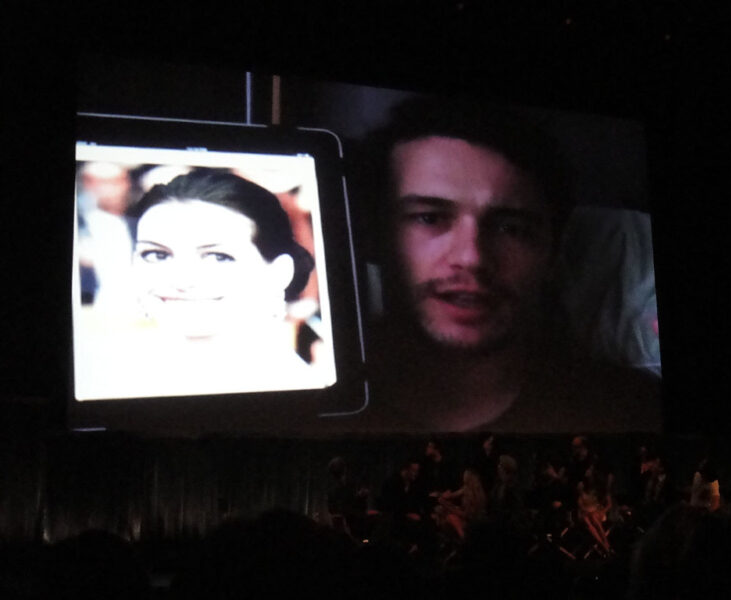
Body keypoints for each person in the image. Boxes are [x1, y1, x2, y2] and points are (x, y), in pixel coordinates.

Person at [354, 95, 660, 432]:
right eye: (428, 218)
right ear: (371, 235)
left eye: (509, 228)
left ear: (553, 254)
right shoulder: (305, 406)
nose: (471, 257)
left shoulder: (633, 412)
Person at [74, 169, 321, 400]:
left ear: (279, 273)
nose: (181, 279)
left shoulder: (295, 392)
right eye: (157, 255)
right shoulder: (105, 378)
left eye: (217, 257)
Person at [436, 468, 487, 540]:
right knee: (441, 511)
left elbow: (467, 515)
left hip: (473, 521)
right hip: (469, 517)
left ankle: (464, 540)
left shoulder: (473, 495)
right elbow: (452, 495)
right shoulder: (466, 488)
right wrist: (442, 496)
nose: (463, 476)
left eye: (465, 475)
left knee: (451, 517)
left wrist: (448, 506)